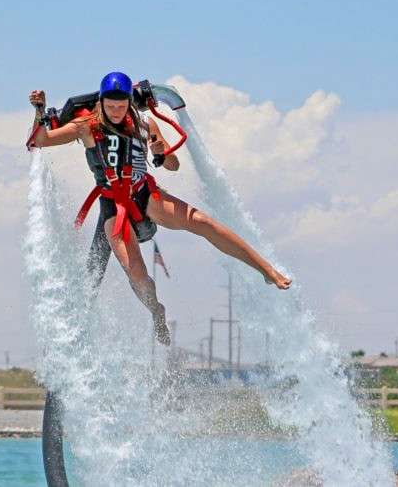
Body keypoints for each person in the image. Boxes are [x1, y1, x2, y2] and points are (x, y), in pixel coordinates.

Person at [28, 72, 291, 346]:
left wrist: (161, 153)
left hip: (145, 193)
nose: (117, 111)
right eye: (111, 106)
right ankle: (157, 312)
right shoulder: (86, 126)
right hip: (113, 207)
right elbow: (40, 141)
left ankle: (266, 270)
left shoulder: (144, 124)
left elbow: (173, 165)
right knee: (138, 275)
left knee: (203, 222)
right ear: (102, 102)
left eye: (122, 106)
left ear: (130, 102)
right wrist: (39, 112)